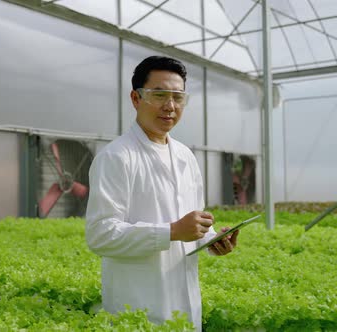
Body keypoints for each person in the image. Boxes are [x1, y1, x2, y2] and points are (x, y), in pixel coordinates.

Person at [85, 55, 239, 331]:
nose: (170, 106)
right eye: (159, 95)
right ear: (135, 98)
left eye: (178, 97)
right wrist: (171, 231)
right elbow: (100, 235)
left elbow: (193, 223)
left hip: (186, 304)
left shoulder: (185, 156)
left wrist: (213, 239)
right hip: (137, 308)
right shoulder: (117, 157)